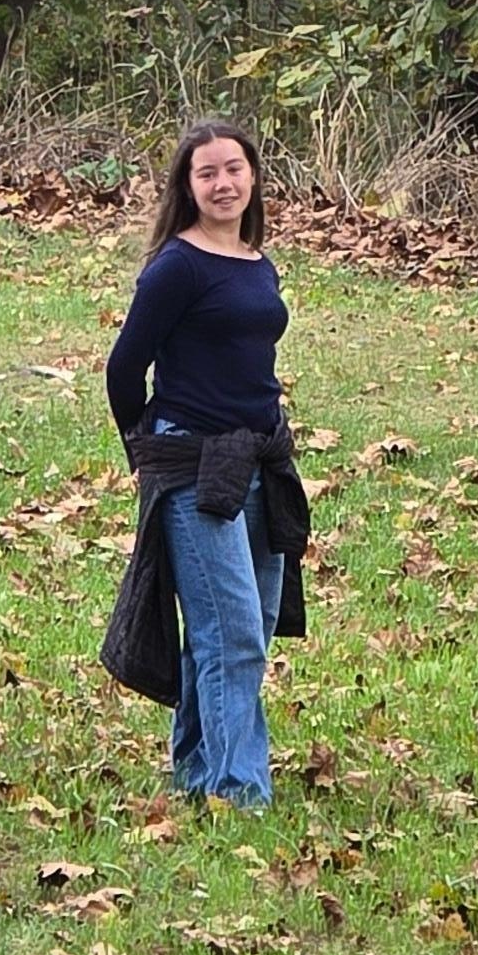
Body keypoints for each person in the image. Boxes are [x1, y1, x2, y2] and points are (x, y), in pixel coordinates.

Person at [98, 117, 310, 808]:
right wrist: (146, 451)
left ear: (253, 175)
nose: (223, 183)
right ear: (187, 187)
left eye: (234, 169)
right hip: (192, 469)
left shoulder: (256, 260)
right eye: (207, 173)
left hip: (258, 463)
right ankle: (239, 792)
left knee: (232, 630)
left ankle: (195, 771)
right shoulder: (176, 268)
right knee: (236, 634)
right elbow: (126, 367)